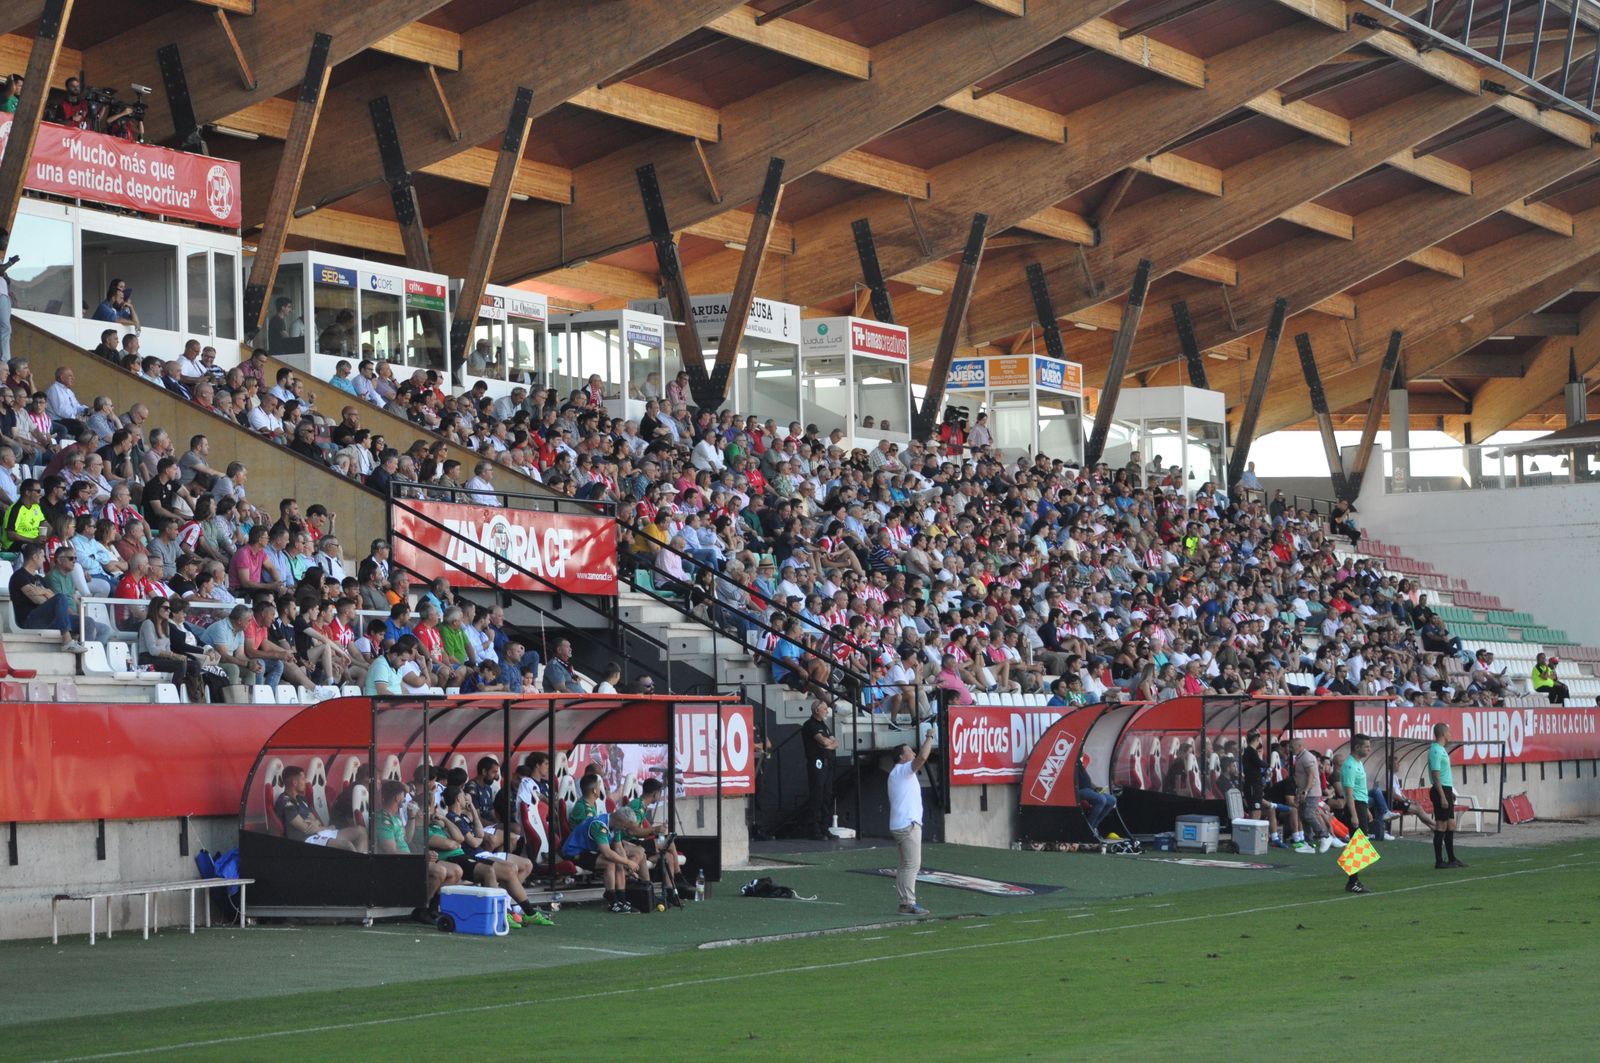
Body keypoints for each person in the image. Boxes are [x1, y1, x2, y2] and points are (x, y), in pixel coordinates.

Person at [888, 729, 935, 916]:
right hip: (908, 825)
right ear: (901, 756)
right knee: (911, 865)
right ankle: (908, 903)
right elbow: (923, 757)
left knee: (905, 865)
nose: (913, 753)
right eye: (909, 751)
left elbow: (919, 757)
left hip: (901, 824)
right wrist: (929, 736)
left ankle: (904, 901)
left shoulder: (899, 772)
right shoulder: (902, 770)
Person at [9, 542, 86, 651]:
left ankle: (83, 659)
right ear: (34, 557)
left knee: (87, 623)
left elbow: (49, 597)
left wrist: (44, 591)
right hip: (29, 621)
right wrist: (47, 593)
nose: (44, 560)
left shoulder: (39, 579)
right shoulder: (19, 576)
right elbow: (38, 600)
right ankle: (67, 641)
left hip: (46, 619)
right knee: (61, 598)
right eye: (42, 556)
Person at [275, 765, 365, 850]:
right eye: (303, 778)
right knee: (347, 845)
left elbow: (315, 820)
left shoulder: (301, 799)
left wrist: (315, 823)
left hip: (319, 833)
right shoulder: (285, 802)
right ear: (294, 782)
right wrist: (327, 828)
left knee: (360, 831)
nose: (305, 781)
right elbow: (305, 829)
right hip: (307, 839)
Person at [1337, 734, 1375, 894]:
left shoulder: (1358, 763)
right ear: (1357, 747)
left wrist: (1365, 810)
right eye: (1366, 746)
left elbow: (1360, 790)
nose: (1369, 749)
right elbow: (1349, 793)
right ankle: (1352, 882)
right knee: (1357, 844)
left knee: (1360, 844)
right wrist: (1354, 814)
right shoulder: (1350, 766)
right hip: (1355, 806)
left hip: (1361, 805)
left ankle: (1354, 880)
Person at [1429, 723, 1465, 869]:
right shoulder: (1436, 750)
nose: (1451, 734)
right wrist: (1443, 796)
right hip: (1440, 790)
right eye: (1449, 732)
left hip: (1447, 789)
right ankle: (1439, 861)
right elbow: (1436, 775)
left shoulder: (1442, 749)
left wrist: (1450, 794)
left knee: (1451, 824)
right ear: (1443, 733)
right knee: (1441, 825)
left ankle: (1452, 858)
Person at [800, 699, 837, 841]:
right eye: (824, 709)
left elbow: (835, 743)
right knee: (817, 795)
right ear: (817, 710)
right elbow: (824, 741)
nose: (827, 711)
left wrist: (828, 744)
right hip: (817, 763)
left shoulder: (824, 725)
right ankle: (814, 829)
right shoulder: (810, 725)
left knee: (827, 796)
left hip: (828, 763)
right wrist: (827, 743)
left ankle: (825, 827)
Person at [1075, 756, 1117, 840]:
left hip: (1089, 789)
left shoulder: (1079, 762)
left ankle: (1094, 826)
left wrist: (1096, 788)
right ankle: (1088, 829)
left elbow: (1087, 781)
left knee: (1112, 800)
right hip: (1079, 790)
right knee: (1101, 800)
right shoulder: (1072, 761)